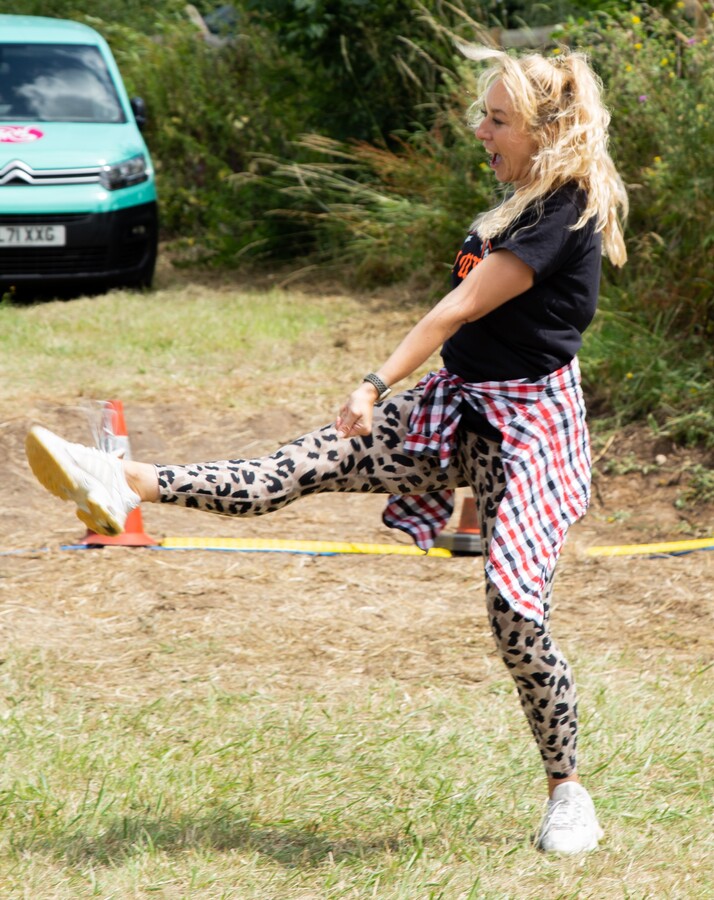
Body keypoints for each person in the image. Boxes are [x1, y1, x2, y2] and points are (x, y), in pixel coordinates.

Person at [25, 45, 627, 854]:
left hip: (531, 440)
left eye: (496, 119)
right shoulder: (514, 204)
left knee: (516, 616)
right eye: (482, 113)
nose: (478, 129)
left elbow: (454, 310)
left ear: (545, 132)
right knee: (303, 464)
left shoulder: (565, 212)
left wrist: (373, 384)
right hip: (456, 410)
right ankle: (124, 478)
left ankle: (569, 793)